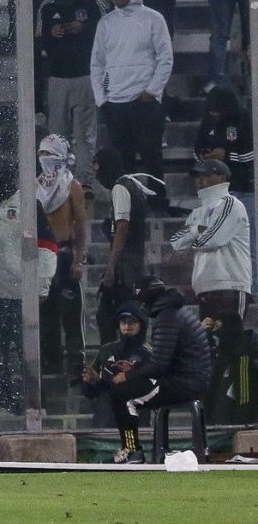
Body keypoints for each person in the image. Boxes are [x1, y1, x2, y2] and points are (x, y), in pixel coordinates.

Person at [170, 159, 253, 423]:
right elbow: (175, 243)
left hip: (231, 285)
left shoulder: (231, 204)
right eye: (197, 176)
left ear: (221, 176)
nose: (199, 180)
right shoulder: (197, 212)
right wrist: (198, 230)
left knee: (232, 351)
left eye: (204, 175)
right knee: (210, 355)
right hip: (205, 288)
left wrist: (196, 234)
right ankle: (216, 413)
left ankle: (240, 413)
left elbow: (213, 239)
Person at [0, 159, 59, 414]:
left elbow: (47, 247)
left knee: (26, 351)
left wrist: (42, 286)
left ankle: (36, 404)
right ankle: (3, 401)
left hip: (20, 292)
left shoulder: (28, 204)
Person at [90, 0, 173, 211]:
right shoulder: (106, 23)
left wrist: (152, 91)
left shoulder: (153, 19)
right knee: (122, 162)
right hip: (115, 103)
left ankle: (158, 204)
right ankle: (129, 208)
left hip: (145, 102)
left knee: (151, 157)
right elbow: (97, 64)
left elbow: (165, 58)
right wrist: (101, 99)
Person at [109, 277, 212, 463]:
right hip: (190, 379)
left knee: (122, 395)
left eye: (141, 301)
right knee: (127, 388)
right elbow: (166, 359)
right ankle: (134, 451)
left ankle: (132, 452)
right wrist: (137, 368)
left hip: (185, 382)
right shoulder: (175, 312)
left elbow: (159, 365)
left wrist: (128, 375)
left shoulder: (167, 317)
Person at [37, 0, 104, 185]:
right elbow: (37, 39)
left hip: (86, 75)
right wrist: (51, 33)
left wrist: (85, 27)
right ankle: (58, 180)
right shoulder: (47, 5)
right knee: (57, 133)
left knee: (84, 134)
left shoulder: (92, 3)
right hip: (58, 78)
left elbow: (110, 28)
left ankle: (85, 181)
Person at [93, 148, 161, 345]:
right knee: (128, 311)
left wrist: (112, 266)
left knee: (113, 314)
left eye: (98, 169)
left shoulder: (121, 187)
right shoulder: (133, 185)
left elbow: (122, 226)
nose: (97, 175)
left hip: (126, 261)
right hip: (134, 257)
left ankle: (115, 359)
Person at [195, 87, 256, 294]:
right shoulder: (208, 123)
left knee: (249, 244)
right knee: (217, 244)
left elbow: (250, 154)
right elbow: (197, 151)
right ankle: (228, 287)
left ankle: (253, 289)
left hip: (244, 190)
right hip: (217, 195)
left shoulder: (244, 119)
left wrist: (226, 155)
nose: (214, 115)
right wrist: (206, 159)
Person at [37, 135, 89, 377]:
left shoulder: (72, 187)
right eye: (41, 153)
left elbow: (81, 225)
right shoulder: (35, 187)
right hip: (41, 256)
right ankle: (52, 365)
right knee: (46, 316)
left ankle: (77, 369)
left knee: (70, 315)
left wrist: (79, 259)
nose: (43, 158)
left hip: (66, 255)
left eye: (49, 153)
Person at [80, 302, 151, 435]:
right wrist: (91, 381)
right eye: (123, 322)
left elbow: (156, 388)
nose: (127, 326)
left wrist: (133, 375)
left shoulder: (149, 352)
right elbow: (90, 393)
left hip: (138, 425)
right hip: (105, 425)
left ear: (141, 324)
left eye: (132, 322)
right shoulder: (106, 350)